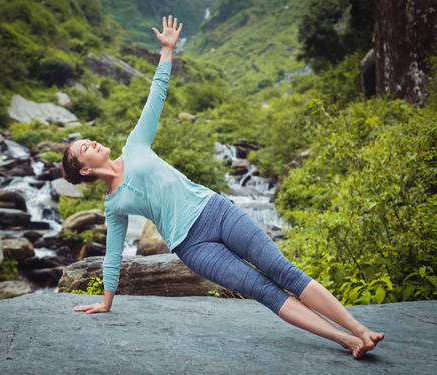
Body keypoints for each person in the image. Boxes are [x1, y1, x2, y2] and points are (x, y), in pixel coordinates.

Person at [62, 15, 384, 359]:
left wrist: (167, 51)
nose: (92, 143)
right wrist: (106, 302)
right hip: (193, 246)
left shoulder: (134, 144)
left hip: (216, 210)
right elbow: (113, 256)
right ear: (84, 169)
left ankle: (359, 328)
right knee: (264, 291)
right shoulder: (113, 205)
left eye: (88, 140)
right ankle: (346, 340)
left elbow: (156, 95)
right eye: (84, 148)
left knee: (284, 272)